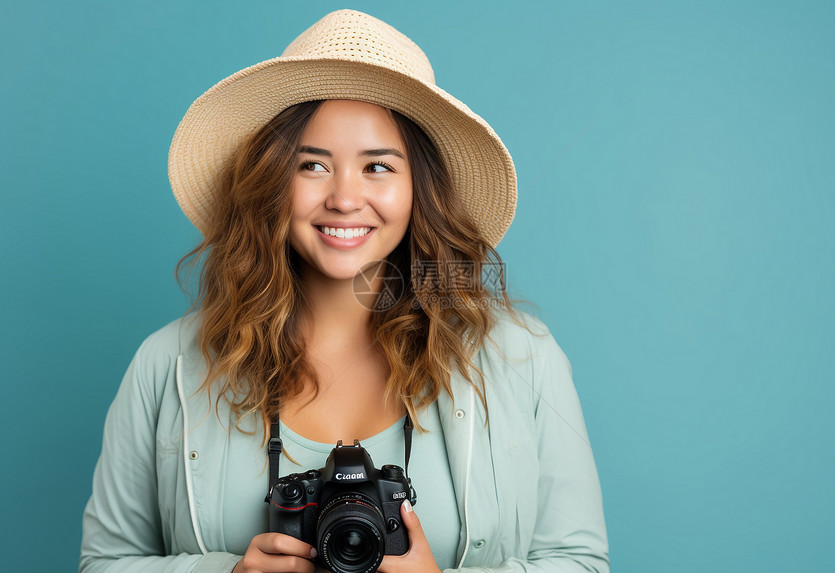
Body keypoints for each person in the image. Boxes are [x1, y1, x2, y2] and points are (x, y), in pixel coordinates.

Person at [79, 9, 609, 573]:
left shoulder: (519, 357)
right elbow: (104, 563)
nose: (344, 198)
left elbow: (581, 563)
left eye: (378, 167)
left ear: (418, 189)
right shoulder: (168, 366)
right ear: (272, 182)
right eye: (311, 165)